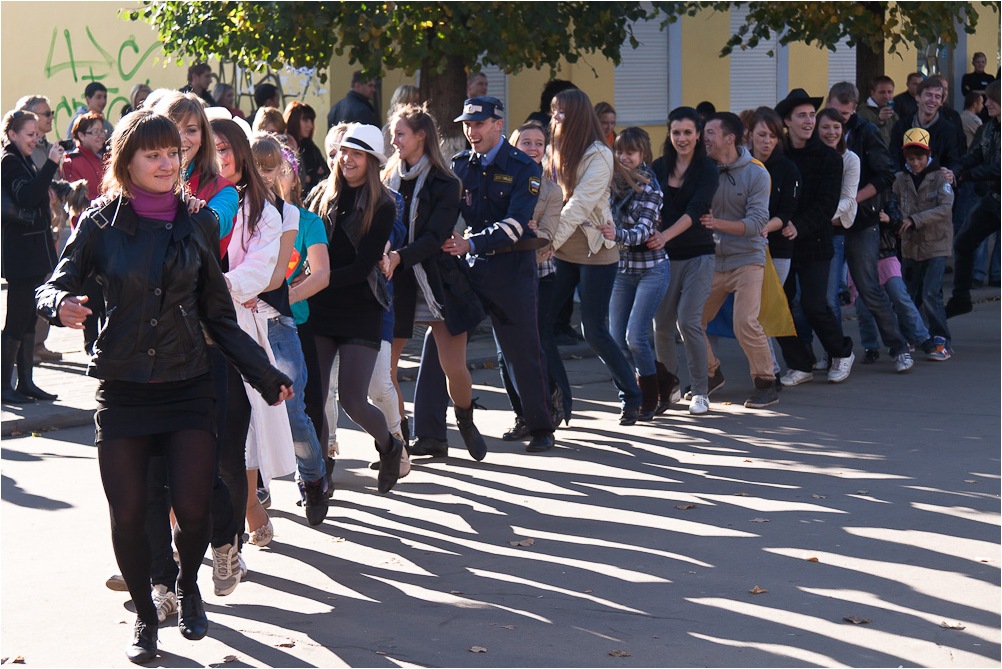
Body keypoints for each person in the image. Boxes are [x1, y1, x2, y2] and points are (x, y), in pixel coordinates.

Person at [36, 110, 291, 663]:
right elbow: (53, 284)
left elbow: (218, 315)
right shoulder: (99, 223)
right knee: (128, 513)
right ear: (126, 162)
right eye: (151, 154)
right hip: (124, 387)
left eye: (172, 154)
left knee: (194, 506)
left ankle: (192, 584)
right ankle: (148, 615)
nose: (164, 163)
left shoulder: (200, 222)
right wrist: (62, 305)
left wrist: (264, 374)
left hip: (188, 381)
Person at [436, 96, 555, 452]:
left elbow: (517, 225)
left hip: (512, 268)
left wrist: (469, 244)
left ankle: (540, 427)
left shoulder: (523, 167)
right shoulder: (461, 165)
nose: (471, 131)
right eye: (467, 124)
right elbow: (445, 210)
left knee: (523, 350)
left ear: (497, 125)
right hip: (472, 268)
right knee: (438, 342)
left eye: (478, 124)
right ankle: (429, 432)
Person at [380, 102, 489, 458]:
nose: (393, 140)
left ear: (421, 136)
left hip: (436, 280)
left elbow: (435, 237)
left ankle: (465, 418)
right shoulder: (386, 179)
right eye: (393, 133)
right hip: (397, 281)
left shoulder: (446, 182)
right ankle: (400, 439)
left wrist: (399, 256)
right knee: (387, 369)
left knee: (453, 367)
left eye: (400, 134)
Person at [212, 118, 295, 551]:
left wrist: (210, 289)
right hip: (184, 325)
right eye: (212, 148)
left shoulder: (263, 207)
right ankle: (164, 545)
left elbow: (264, 270)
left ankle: (248, 510)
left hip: (237, 325)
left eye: (225, 148)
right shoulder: (184, 196)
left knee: (238, 430)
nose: (218, 157)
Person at [307, 123, 404, 489]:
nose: (347, 159)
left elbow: (364, 267)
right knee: (314, 399)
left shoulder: (383, 204)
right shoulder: (320, 195)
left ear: (371, 162)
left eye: (357, 154)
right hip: (319, 307)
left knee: (353, 399)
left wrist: (315, 279)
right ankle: (315, 480)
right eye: (344, 151)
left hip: (361, 307)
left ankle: (390, 446)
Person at [546, 88, 643, 424]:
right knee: (542, 324)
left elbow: (577, 206)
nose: (555, 117)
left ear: (576, 115)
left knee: (594, 330)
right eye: (553, 111)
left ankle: (632, 395)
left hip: (596, 250)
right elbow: (549, 197)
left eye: (561, 112)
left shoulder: (600, 154)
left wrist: (548, 241)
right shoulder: (554, 149)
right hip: (563, 250)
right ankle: (559, 402)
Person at [251, 133, 329, 524]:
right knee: (250, 413)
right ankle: (256, 487)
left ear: (287, 173)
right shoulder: (239, 210)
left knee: (293, 413)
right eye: (258, 168)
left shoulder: (303, 220)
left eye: (272, 169)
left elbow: (321, 275)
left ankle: (314, 480)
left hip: (283, 323)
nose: (265, 177)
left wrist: (280, 296)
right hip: (244, 323)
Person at [826, 82, 913, 373]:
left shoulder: (866, 131)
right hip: (829, 224)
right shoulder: (820, 129)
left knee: (869, 288)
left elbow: (885, 175)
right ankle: (835, 353)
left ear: (855, 110)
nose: (840, 121)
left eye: (847, 115)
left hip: (862, 221)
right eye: (837, 113)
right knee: (827, 296)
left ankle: (898, 346)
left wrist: (851, 202)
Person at [772, 91, 857, 387]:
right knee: (778, 305)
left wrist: (799, 225)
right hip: (780, 242)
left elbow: (826, 204)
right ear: (786, 121)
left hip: (815, 242)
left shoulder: (829, 158)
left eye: (812, 115)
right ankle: (800, 363)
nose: (809, 121)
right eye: (802, 116)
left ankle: (841, 352)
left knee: (813, 304)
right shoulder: (778, 156)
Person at [697, 112, 775, 409]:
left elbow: (756, 224)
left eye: (710, 133)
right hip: (714, 259)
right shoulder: (703, 169)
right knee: (690, 319)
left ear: (729, 138)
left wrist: (716, 224)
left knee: (745, 321)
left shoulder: (757, 173)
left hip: (748, 258)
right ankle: (712, 372)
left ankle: (766, 382)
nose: (705, 138)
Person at [501, 121, 573, 436]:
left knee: (533, 345)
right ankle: (523, 416)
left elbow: (547, 236)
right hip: (500, 271)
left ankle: (548, 404)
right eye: (525, 142)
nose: (532, 148)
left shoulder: (552, 190)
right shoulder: (500, 180)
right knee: (505, 353)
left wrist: (528, 230)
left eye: (538, 143)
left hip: (538, 274)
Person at [650, 107, 720, 415]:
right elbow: (647, 207)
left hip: (698, 254)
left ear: (698, 135)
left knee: (688, 320)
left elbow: (696, 210)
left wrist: (664, 235)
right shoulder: (658, 166)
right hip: (664, 258)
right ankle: (669, 387)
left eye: (688, 132)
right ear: (669, 134)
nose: (682, 138)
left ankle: (701, 392)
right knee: (661, 325)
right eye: (676, 132)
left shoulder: (708, 169)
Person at [596, 127, 665, 420]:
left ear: (643, 155)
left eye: (631, 152)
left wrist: (615, 234)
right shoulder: (608, 182)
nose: (624, 157)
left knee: (636, 336)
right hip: (622, 270)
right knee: (614, 339)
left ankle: (649, 398)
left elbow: (643, 231)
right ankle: (631, 395)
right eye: (620, 151)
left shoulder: (650, 187)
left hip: (652, 269)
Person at [2, 109, 63, 404]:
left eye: (37, 134)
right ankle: (4, 386)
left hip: (33, 253)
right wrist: (51, 166)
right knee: (16, 321)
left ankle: (26, 383)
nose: (35, 139)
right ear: (12, 135)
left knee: (28, 320)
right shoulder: (9, 161)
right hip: (21, 255)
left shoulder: (23, 159)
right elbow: (26, 196)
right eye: (29, 134)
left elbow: (34, 193)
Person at [887, 128, 955, 360]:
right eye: (910, 158)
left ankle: (941, 338)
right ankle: (913, 335)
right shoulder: (900, 179)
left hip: (937, 244)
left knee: (930, 293)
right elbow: (891, 201)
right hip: (910, 247)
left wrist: (914, 220)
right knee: (910, 293)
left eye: (919, 158)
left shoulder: (940, 178)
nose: (915, 163)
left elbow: (945, 208)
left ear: (929, 156)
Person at [746, 107, 800, 385]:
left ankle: (771, 371)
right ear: (750, 135)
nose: (767, 141)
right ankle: (770, 369)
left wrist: (765, 226)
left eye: (773, 136)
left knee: (761, 310)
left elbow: (787, 210)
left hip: (776, 249)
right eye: (762, 135)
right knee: (751, 313)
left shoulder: (787, 167)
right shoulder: (740, 165)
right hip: (740, 248)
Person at [945, 79, 1001, 318]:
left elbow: (997, 168)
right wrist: (955, 169)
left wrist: (964, 175)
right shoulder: (989, 127)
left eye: (991, 99)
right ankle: (961, 299)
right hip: (994, 199)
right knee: (963, 241)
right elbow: (975, 155)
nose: (986, 103)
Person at [889, 78, 963, 171]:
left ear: (941, 102)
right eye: (928, 95)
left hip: (935, 182)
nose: (933, 100)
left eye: (937, 97)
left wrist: (950, 173)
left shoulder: (949, 130)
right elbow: (894, 157)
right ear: (917, 97)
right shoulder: (901, 126)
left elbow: (954, 161)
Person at [284, 101, 330, 198]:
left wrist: (311, 177)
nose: (310, 125)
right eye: (305, 120)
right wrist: (309, 177)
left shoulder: (311, 147)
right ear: (294, 120)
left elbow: (325, 173)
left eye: (311, 121)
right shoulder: (286, 146)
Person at [856, 76, 898, 148]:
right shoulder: (863, 112)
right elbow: (861, 134)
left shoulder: (894, 112)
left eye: (890, 92)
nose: (886, 96)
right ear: (873, 93)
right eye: (882, 92)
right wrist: (879, 120)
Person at [961, 51, 996, 122]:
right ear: (973, 63)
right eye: (978, 62)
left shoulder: (990, 78)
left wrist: (973, 91)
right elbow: (965, 93)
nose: (980, 64)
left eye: (982, 62)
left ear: (985, 63)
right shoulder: (967, 77)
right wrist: (984, 91)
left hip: (987, 112)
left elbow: (993, 93)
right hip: (971, 111)